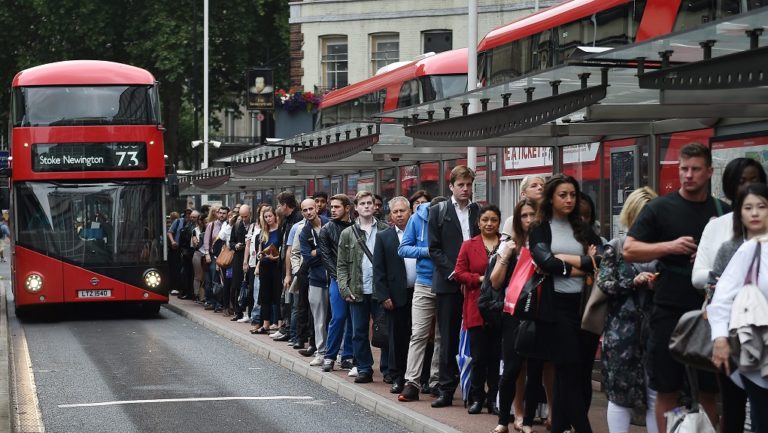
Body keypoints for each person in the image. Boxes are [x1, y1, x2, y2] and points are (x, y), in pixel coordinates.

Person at [624, 142, 729, 432]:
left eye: (695, 169)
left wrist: (708, 255)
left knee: (711, 387)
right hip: (669, 307)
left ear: (709, 172)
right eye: (684, 169)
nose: (688, 175)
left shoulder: (723, 212)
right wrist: (669, 246)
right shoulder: (660, 207)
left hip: (711, 310)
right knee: (666, 384)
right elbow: (629, 250)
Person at [692, 157, 765, 433]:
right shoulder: (732, 243)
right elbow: (713, 291)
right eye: (742, 181)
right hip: (737, 340)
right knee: (736, 408)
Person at [528, 174, 601, 433]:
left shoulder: (582, 226)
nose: (569, 200)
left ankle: (558, 427)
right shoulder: (539, 227)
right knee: (569, 369)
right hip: (554, 306)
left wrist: (562, 258)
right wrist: (582, 265)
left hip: (582, 306)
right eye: (563, 195)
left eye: (573, 194)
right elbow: (544, 262)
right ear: (551, 198)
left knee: (574, 371)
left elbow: (600, 258)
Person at [597, 187, 659, 433]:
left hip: (655, 327)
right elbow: (605, 284)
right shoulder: (617, 246)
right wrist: (632, 282)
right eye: (641, 213)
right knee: (619, 395)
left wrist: (658, 282)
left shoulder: (663, 247)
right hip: (621, 332)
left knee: (656, 392)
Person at [709, 183, 768, 433]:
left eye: (761, 207)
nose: (754, 213)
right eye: (748, 208)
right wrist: (720, 339)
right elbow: (720, 299)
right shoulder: (748, 251)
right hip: (759, 353)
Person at [429, 165, 480, 407]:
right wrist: (455, 274)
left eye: (469, 185)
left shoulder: (478, 210)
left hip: (475, 284)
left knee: (478, 337)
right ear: (451, 186)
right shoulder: (439, 211)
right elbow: (434, 249)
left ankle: (476, 392)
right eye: (461, 185)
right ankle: (446, 390)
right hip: (450, 284)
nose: (465, 189)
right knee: (448, 338)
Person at [490, 198, 541, 433]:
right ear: (517, 220)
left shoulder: (544, 243)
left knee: (535, 369)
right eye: (524, 215)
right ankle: (503, 420)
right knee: (511, 368)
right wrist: (506, 256)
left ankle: (528, 420)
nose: (529, 220)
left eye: (533, 215)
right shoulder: (509, 245)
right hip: (513, 313)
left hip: (539, 312)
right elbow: (495, 282)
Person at [454, 204, 502, 414]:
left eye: (493, 220)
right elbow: (459, 273)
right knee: (478, 357)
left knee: (496, 356)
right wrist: (481, 279)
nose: (489, 224)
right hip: (476, 306)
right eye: (485, 220)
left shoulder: (506, 244)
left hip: (500, 307)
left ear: (499, 222)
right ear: (478, 222)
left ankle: (493, 398)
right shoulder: (468, 245)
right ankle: (476, 397)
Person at [337, 191, 390, 384]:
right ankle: (364, 368)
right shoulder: (347, 234)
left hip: (380, 290)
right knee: (359, 332)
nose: (367, 206)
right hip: (357, 290)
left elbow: (392, 262)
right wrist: (344, 288)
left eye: (370, 203)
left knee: (384, 331)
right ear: (356, 208)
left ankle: (387, 369)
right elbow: (341, 264)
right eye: (363, 203)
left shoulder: (386, 229)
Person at [397, 196, 446, 402]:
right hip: (424, 281)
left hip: (447, 282)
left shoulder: (451, 216)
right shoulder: (417, 219)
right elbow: (403, 248)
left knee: (442, 336)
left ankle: (436, 381)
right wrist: (428, 251)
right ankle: (412, 382)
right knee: (418, 334)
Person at [373, 196, 415, 393]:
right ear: (390, 215)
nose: (399, 215)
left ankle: (416, 378)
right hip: (395, 297)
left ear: (410, 212)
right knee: (397, 339)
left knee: (419, 337)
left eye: (403, 211)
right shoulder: (384, 236)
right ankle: (397, 376)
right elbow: (378, 269)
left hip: (419, 293)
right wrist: (384, 296)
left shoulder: (420, 233)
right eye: (395, 212)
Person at [318, 194, 355, 372]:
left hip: (357, 279)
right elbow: (326, 258)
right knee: (339, 317)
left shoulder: (357, 227)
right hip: (336, 279)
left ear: (347, 208)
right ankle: (330, 356)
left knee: (353, 319)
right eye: (331, 207)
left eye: (337, 207)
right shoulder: (326, 229)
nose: (332, 210)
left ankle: (347, 355)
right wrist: (340, 280)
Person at [299, 198, 329, 366]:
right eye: (305, 210)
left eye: (311, 208)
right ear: (302, 212)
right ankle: (321, 352)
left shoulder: (329, 224)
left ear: (317, 207)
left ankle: (339, 353)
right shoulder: (304, 232)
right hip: (316, 280)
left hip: (334, 279)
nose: (309, 212)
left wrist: (316, 252)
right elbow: (307, 259)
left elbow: (336, 251)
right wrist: (323, 253)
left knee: (338, 318)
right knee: (319, 318)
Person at [253, 206, 281, 333]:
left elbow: (282, 251)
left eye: (270, 216)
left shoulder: (280, 230)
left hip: (276, 266)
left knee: (277, 294)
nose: (268, 219)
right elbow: (259, 250)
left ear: (275, 216)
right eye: (266, 217)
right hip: (264, 265)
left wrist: (275, 257)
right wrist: (260, 257)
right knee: (264, 295)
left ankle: (279, 323)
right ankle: (265, 324)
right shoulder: (263, 232)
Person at [228, 205, 252, 321]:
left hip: (250, 258)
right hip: (238, 257)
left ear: (250, 214)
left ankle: (248, 311)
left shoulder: (254, 224)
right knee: (236, 285)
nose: (243, 219)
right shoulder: (237, 225)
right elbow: (231, 242)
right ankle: (238, 312)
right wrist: (236, 246)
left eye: (245, 216)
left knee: (249, 285)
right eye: (241, 216)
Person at [204, 206, 228, 312]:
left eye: (224, 213)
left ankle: (222, 302)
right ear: (217, 214)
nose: (221, 215)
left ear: (227, 214)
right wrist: (207, 254)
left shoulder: (228, 225)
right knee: (215, 278)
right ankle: (215, 302)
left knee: (225, 279)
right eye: (220, 213)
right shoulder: (211, 225)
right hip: (214, 256)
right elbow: (206, 240)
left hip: (226, 256)